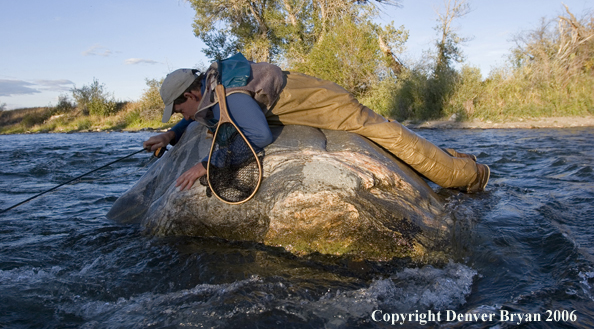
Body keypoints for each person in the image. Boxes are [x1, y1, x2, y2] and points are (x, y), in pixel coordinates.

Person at [143, 55, 490, 193]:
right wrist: (170, 135)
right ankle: (457, 158)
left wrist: (208, 164)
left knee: (387, 134)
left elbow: (256, 134)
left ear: (190, 94)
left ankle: (472, 176)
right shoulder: (211, 89)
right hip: (312, 93)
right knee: (388, 135)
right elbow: (204, 117)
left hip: (325, 102)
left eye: (176, 112)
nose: (180, 117)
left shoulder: (229, 96)